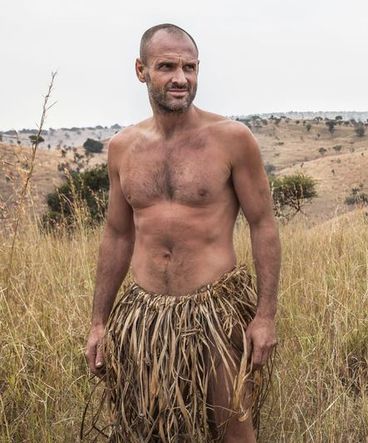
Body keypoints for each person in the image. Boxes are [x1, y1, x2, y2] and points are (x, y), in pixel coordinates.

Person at [81, 23, 281, 442]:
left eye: (189, 67)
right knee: (145, 429)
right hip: (145, 317)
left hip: (214, 311)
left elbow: (263, 224)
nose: (180, 78)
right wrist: (99, 322)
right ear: (141, 70)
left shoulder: (231, 140)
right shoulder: (123, 148)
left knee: (233, 427)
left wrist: (265, 316)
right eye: (167, 66)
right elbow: (118, 234)